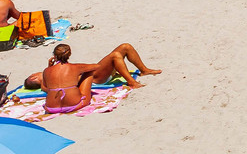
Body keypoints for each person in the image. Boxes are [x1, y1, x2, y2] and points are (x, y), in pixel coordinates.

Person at [27, 42, 161, 112]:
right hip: (96, 80)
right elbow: (94, 68)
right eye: (35, 76)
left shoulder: (48, 72)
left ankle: (144, 70)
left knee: (125, 47)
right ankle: (132, 82)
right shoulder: (48, 75)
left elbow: (48, 88)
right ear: (33, 78)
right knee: (114, 56)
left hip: (86, 79)